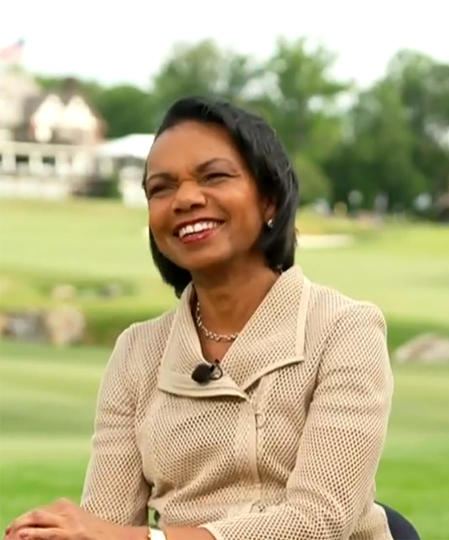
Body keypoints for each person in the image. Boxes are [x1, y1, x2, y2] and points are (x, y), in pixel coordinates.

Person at [5, 97, 399, 540]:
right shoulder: (137, 352)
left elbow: (318, 522)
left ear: (269, 198)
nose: (186, 199)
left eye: (215, 176)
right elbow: (106, 523)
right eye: (161, 188)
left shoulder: (345, 330)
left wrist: (147, 539)